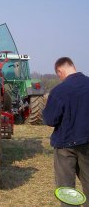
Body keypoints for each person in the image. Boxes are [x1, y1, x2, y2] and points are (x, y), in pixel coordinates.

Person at [43, 57, 89, 207]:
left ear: (60, 71)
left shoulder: (59, 91)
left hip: (65, 146)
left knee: (67, 189)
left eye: (58, 75)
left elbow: (50, 120)